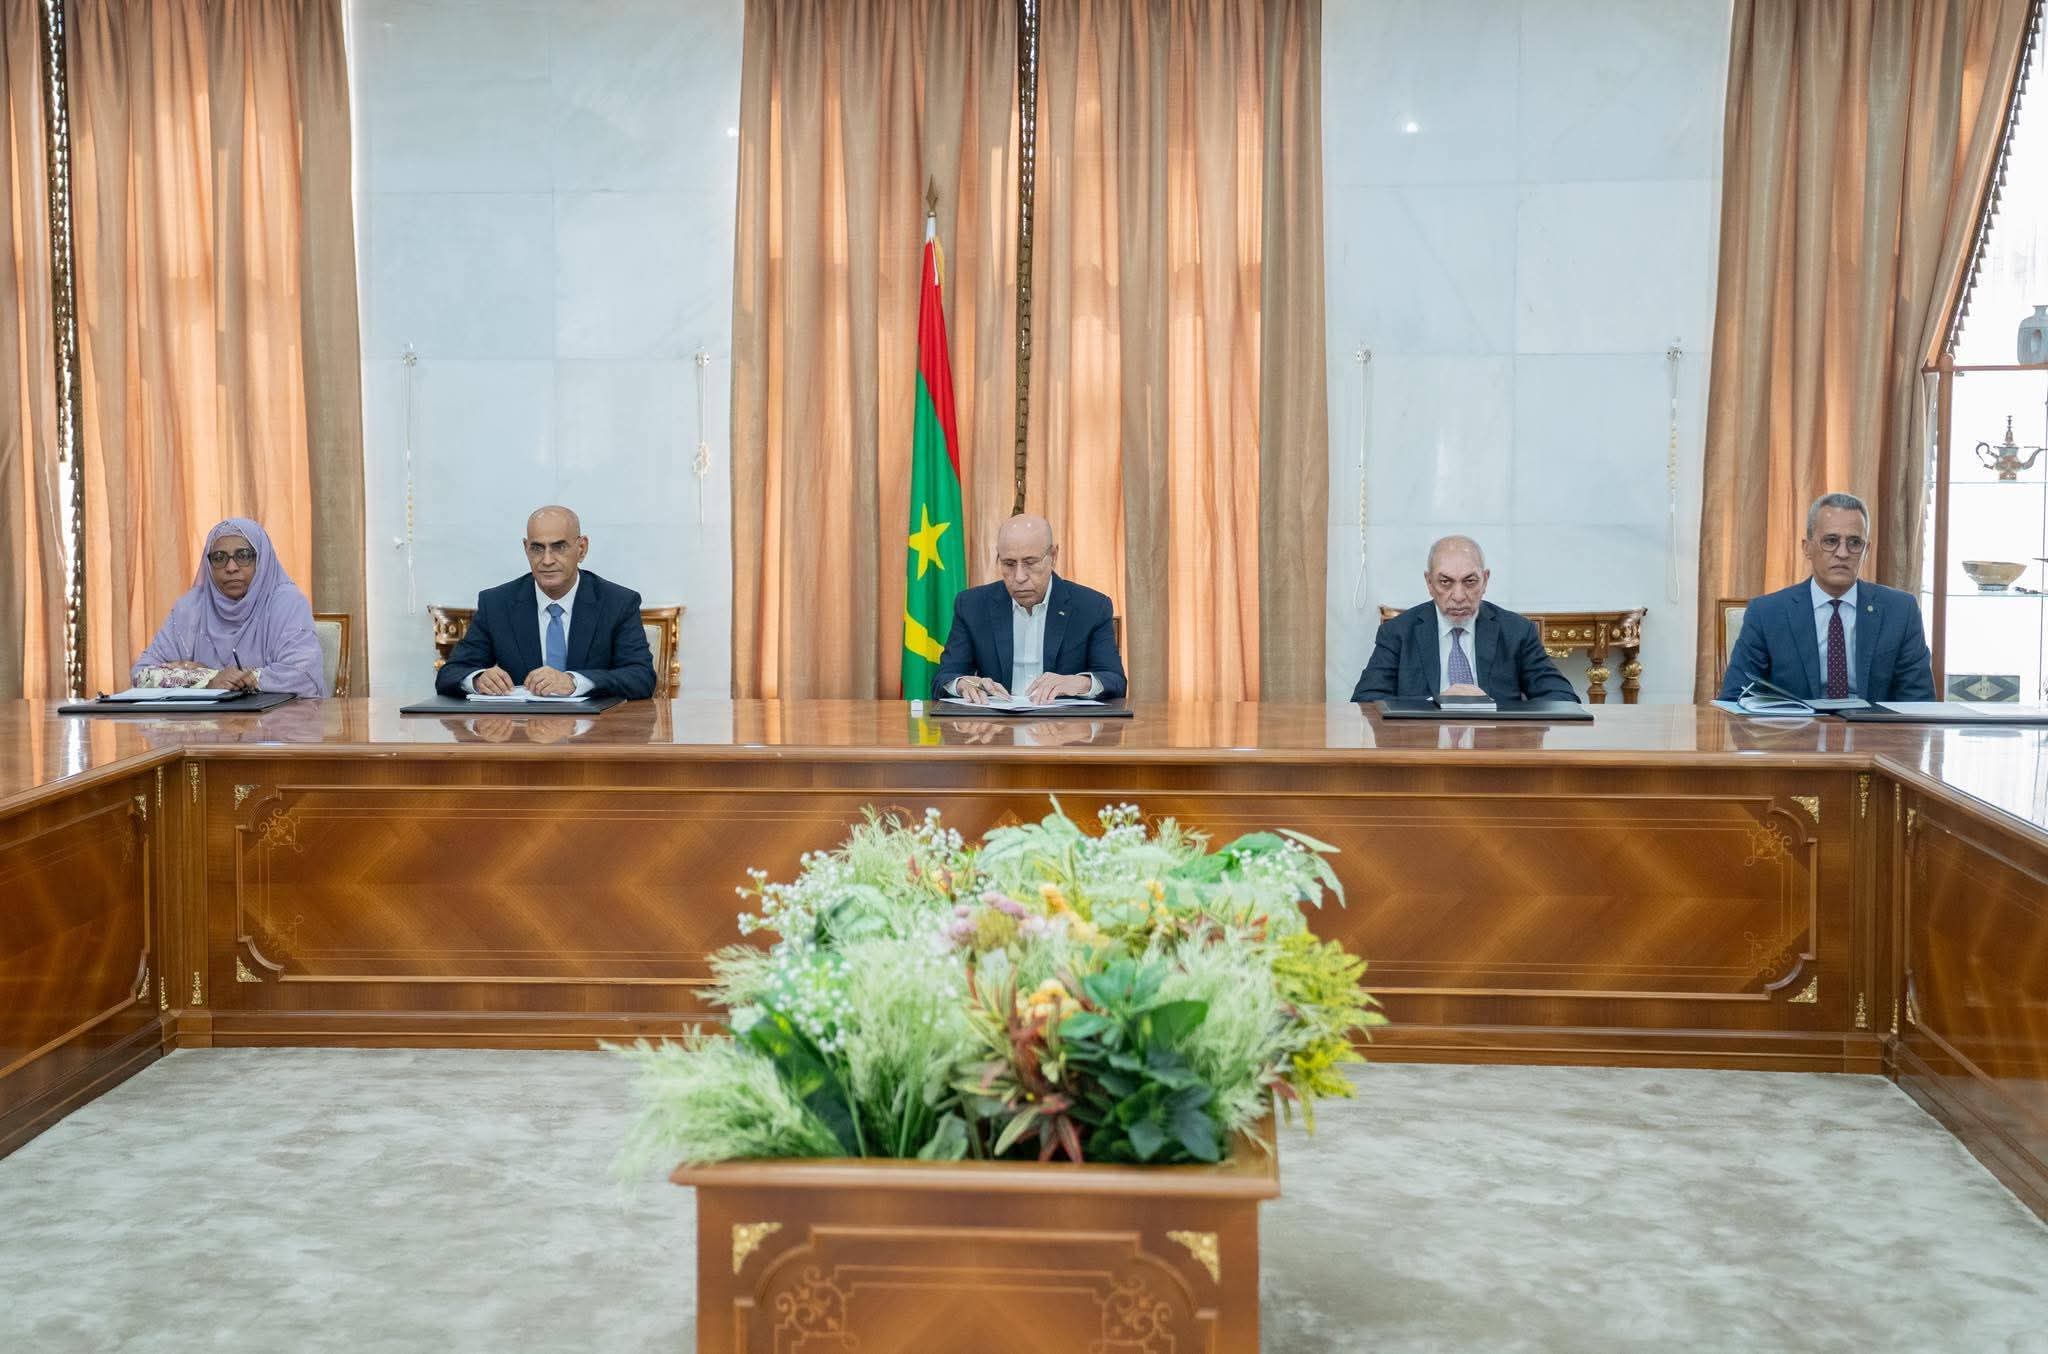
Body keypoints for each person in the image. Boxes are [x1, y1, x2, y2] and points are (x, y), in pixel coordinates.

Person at [1717, 491, 1933, 703]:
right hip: (1794, 725)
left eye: (1854, 543)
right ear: (1807, 548)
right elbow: (1735, 697)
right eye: (1830, 541)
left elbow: (1919, 701)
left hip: (1872, 726)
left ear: (1866, 551)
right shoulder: (1767, 614)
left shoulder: (1901, 611)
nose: (1843, 553)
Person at [434, 505, 657, 700]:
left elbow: (641, 677)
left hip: (595, 731)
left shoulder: (617, 603)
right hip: (519, 730)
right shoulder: (497, 604)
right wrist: (478, 679)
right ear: (526, 548)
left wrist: (574, 682)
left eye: (559, 547)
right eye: (537, 548)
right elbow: (450, 674)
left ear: (581, 548)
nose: (547, 560)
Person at [1350, 535, 1578, 704]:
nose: (1458, 596)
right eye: (1445, 582)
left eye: (1469, 582)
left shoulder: (1516, 631)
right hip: (1423, 746)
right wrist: (1435, 704)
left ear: (1485, 580)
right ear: (1429, 583)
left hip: (1495, 746)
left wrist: (1492, 707)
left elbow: (1563, 697)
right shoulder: (1398, 632)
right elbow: (1365, 700)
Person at [933, 514, 1127, 703]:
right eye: (1009, 564)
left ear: (1053, 556)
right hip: (996, 722)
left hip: (1062, 723)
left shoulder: (1091, 607)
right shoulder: (972, 605)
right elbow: (944, 678)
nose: (1019, 577)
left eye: (1030, 563)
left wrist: (1079, 683)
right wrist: (963, 684)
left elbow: (1115, 680)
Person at [131, 517, 326, 697]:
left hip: (276, 720)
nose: (231, 567)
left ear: (261, 559)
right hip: (206, 721)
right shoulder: (191, 608)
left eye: (243, 555)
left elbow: (303, 675)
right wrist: (210, 680)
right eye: (219, 557)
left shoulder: (287, 604)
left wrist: (226, 679)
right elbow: (141, 674)